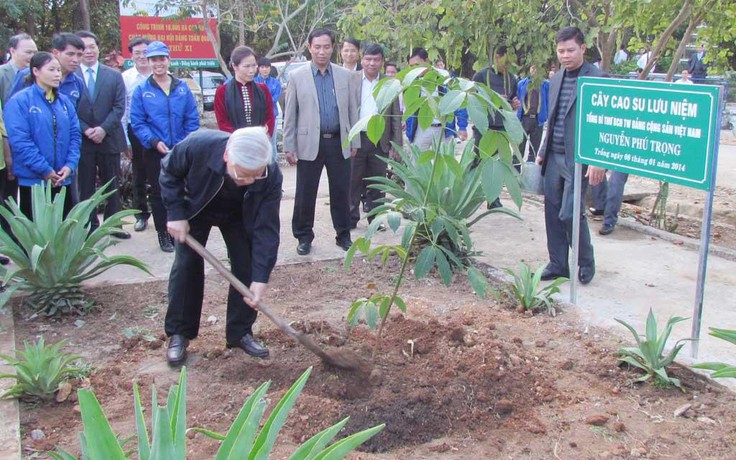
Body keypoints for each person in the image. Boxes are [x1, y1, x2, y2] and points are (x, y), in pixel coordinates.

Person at [161, 127, 282, 365]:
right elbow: (169, 170)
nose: (247, 181)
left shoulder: (270, 175)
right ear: (227, 156)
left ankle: (240, 333)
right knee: (186, 265)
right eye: (242, 174)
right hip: (196, 208)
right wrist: (175, 213)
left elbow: (266, 229)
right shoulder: (199, 145)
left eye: (254, 176)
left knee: (247, 264)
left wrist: (260, 279)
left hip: (239, 215)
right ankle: (179, 333)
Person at [535, 27, 605, 285]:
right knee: (552, 212)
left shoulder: (598, 78)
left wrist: (599, 159)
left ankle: (586, 262)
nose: (565, 55)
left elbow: (603, 124)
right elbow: (551, 118)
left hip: (578, 158)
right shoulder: (555, 79)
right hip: (554, 154)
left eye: (570, 50)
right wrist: (542, 151)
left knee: (569, 213)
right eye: (561, 51)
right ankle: (558, 264)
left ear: (583, 48)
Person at [283, 28, 359, 256]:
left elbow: (352, 110)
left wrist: (354, 140)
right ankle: (304, 237)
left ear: (333, 48)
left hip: (339, 142)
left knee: (341, 192)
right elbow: (290, 114)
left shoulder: (345, 75)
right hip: (309, 143)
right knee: (306, 193)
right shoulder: (297, 76)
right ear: (309, 47)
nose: (322, 51)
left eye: (326, 47)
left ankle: (343, 234)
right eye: (317, 47)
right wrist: (289, 145)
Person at [130, 41, 200, 252]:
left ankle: (185, 229)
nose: (158, 63)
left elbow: (192, 118)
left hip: (180, 149)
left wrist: (184, 142)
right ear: (148, 62)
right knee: (160, 192)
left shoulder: (181, 88)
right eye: (154, 59)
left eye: (162, 59)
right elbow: (137, 121)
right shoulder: (142, 90)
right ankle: (163, 233)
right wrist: (153, 141)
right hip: (154, 151)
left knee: (184, 189)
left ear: (168, 60)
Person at [4, 52, 81, 219]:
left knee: (63, 230)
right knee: (36, 235)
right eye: (52, 70)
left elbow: (75, 136)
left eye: (59, 70)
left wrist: (70, 165)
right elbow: (20, 141)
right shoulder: (20, 102)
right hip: (33, 181)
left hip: (62, 178)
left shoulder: (64, 102)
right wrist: (44, 169)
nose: (57, 74)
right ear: (36, 71)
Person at [75, 31, 129, 239]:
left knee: (112, 183)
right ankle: (89, 226)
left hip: (109, 138)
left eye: (92, 46)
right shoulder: (70, 76)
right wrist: (85, 129)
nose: (88, 51)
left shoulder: (113, 75)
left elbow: (119, 107)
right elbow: (68, 108)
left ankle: (114, 225)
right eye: (83, 48)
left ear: (98, 48)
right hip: (83, 140)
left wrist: (103, 129)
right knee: (85, 185)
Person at [350, 44, 403, 229]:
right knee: (353, 181)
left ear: (382, 62)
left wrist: (397, 146)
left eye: (376, 60)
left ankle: (377, 220)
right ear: (362, 59)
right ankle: (350, 218)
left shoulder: (390, 84)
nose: (371, 63)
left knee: (378, 182)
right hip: (357, 138)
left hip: (380, 140)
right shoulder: (352, 79)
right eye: (368, 59)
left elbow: (396, 116)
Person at [472, 44, 521, 208]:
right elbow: (472, 99)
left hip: (502, 127)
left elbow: (512, 102)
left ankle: (493, 198)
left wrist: (514, 105)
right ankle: (471, 195)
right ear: (497, 58)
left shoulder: (512, 79)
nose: (507, 67)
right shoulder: (481, 76)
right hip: (484, 127)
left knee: (498, 164)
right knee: (479, 161)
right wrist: (492, 99)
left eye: (510, 64)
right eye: (505, 63)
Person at [405, 47, 468, 150]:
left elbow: (458, 102)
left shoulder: (445, 77)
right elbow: (409, 107)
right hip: (421, 128)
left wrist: (462, 126)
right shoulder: (411, 82)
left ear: (427, 61)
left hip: (444, 128)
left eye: (417, 65)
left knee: (444, 163)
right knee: (417, 163)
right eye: (411, 66)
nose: (415, 69)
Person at [214, 46, 274, 147]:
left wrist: (262, 135)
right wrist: (240, 140)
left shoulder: (263, 89)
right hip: (235, 145)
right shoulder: (222, 92)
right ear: (235, 66)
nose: (251, 71)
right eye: (246, 66)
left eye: (254, 66)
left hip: (260, 144)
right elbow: (223, 122)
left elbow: (269, 117)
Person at [121, 37, 152, 232]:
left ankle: (164, 215)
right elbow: (123, 110)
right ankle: (141, 215)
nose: (141, 56)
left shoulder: (161, 74)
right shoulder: (125, 78)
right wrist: (125, 140)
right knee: (139, 175)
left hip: (160, 131)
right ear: (131, 55)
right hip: (135, 131)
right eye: (137, 53)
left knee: (162, 174)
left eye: (145, 52)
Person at [9, 33, 86, 108]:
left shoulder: (77, 83)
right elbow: (12, 107)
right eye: (70, 54)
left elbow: (74, 115)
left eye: (79, 55)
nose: (75, 60)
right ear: (55, 52)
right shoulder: (28, 75)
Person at [516, 65, 549, 162]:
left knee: (534, 150)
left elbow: (549, 100)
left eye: (537, 68)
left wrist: (546, 116)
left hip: (538, 120)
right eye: (533, 68)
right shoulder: (522, 84)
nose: (534, 71)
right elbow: (517, 99)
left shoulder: (545, 84)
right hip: (524, 119)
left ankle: (529, 174)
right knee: (519, 148)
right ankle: (515, 172)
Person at [254, 56, 282, 164]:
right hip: (257, 117)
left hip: (272, 117)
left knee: (272, 142)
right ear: (258, 68)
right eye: (262, 67)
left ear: (270, 68)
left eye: (267, 67)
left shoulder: (275, 83)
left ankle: (273, 166)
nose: (264, 69)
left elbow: (274, 99)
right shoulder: (254, 82)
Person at [0, 33, 37, 105]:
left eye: (35, 52)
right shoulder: (1, 74)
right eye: (28, 52)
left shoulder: (38, 75)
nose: (33, 57)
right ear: (12, 51)